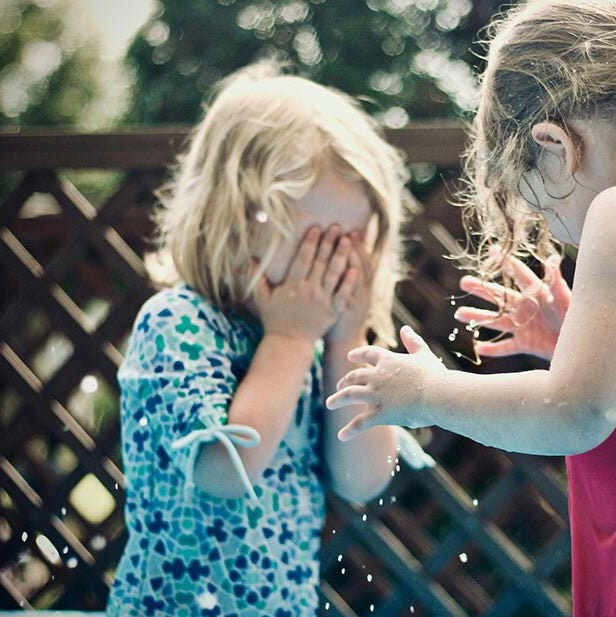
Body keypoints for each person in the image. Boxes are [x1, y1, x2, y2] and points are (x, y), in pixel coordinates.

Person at [326, 1, 616, 615]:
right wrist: (572, 343)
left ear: (553, 142)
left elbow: (575, 413)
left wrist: (427, 393)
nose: (565, 232)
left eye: (548, 213)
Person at [108, 61, 417, 615]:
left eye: (351, 244)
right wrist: (293, 338)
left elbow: (364, 480)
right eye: (318, 243)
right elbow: (225, 471)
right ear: (234, 221)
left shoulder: (325, 348)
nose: (335, 266)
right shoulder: (177, 324)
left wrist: (346, 335)